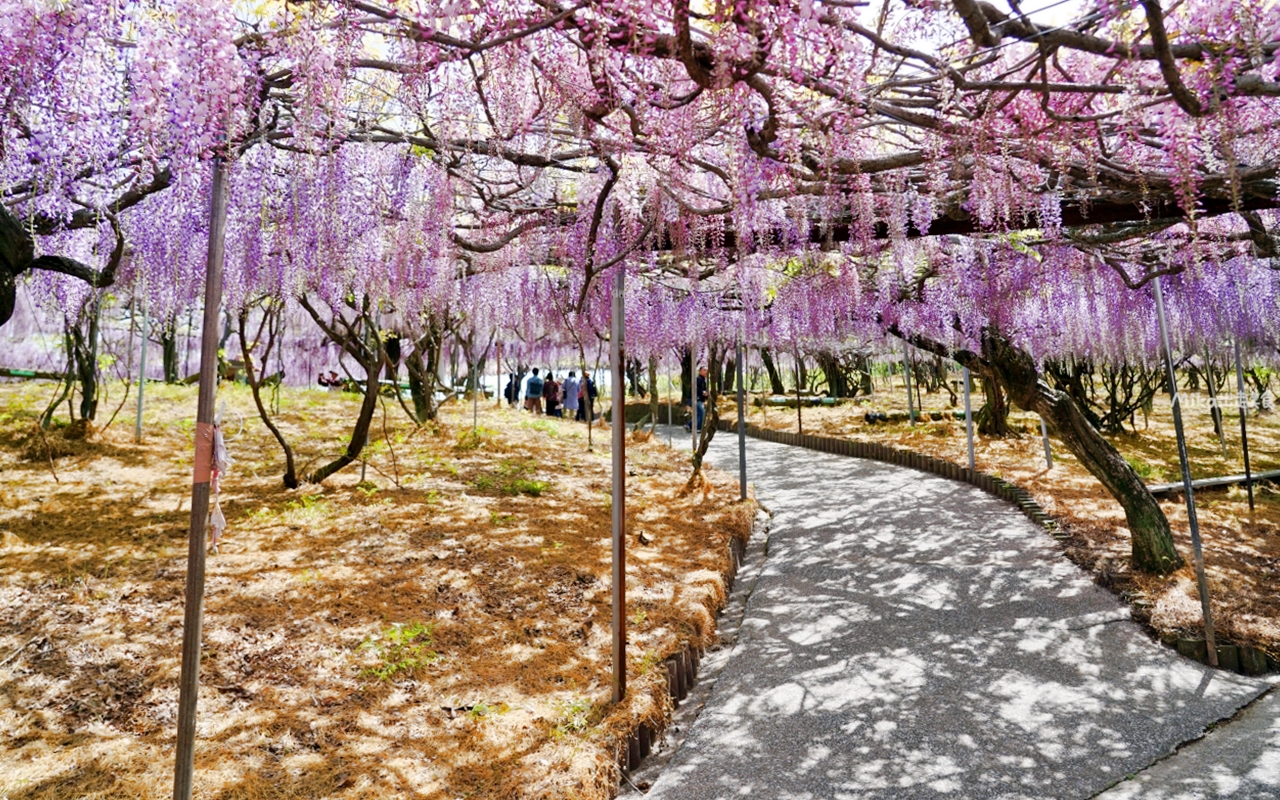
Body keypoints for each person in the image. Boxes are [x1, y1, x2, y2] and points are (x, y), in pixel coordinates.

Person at [687, 366, 709, 432]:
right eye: (704, 370)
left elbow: (704, 392)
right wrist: (703, 392)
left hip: (698, 400)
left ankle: (689, 425)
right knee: (702, 412)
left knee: (699, 414)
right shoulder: (698, 379)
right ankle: (698, 428)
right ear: (700, 371)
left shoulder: (703, 381)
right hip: (694, 399)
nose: (706, 372)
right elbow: (695, 388)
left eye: (707, 370)